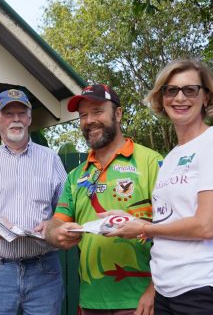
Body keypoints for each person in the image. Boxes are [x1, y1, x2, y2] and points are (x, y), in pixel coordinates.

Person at [108, 60, 213, 314]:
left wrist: (143, 228)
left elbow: (206, 226)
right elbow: (171, 221)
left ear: (206, 97)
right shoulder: (172, 157)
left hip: (208, 291)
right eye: (171, 90)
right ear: (161, 99)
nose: (180, 97)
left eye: (190, 90)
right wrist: (126, 221)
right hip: (168, 292)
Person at [44, 84, 163, 315]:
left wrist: (154, 290)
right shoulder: (76, 176)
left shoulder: (151, 162)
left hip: (140, 301)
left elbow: (171, 231)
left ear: (117, 114)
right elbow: (55, 224)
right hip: (91, 302)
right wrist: (55, 233)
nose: (89, 120)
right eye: (83, 115)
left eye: (97, 111)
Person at [0, 89, 67, 315]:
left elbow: (66, 209)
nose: (16, 119)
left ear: (30, 118)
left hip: (44, 269)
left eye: (22, 113)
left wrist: (53, 223)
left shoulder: (50, 159)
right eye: (8, 113)